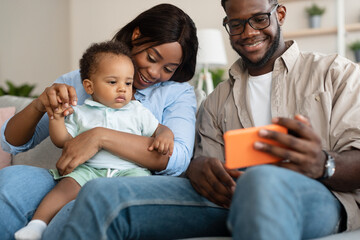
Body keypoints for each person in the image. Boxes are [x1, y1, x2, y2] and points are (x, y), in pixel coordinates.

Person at [53, 0, 360, 239]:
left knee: (262, 181)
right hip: (228, 200)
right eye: (236, 24)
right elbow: (196, 165)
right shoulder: (215, 101)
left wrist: (322, 163)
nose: (249, 32)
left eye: (259, 19)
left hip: (319, 195)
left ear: (279, 14)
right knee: (101, 193)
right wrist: (198, 167)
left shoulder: (335, 73)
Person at [0, 3, 198, 239]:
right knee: (12, 180)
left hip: (128, 179)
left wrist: (100, 137)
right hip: (78, 174)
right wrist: (39, 105)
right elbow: (14, 143)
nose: (155, 73)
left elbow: (177, 158)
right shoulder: (83, 79)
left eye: (168, 68)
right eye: (151, 57)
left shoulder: (175, 93)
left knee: (91, 200)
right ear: (137, 35)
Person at [14, 40, 175, 240]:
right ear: (89, 86)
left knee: (141, 192)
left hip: (130, 170)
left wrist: (165, 135)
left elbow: (158, 129)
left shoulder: (137, 111)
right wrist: (56, 118)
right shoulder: (81, 112)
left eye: (128, 83)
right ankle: (37, 225)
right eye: (112, 82)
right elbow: (63, 140)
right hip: (88, 170)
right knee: (63, 190)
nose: (122, 89)